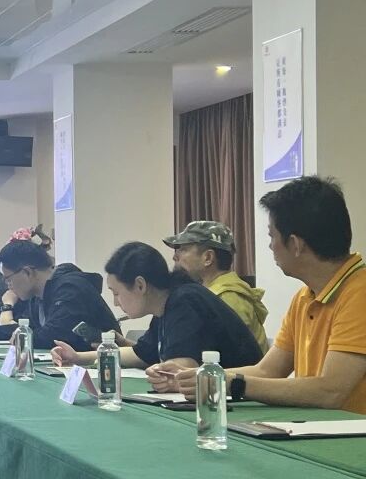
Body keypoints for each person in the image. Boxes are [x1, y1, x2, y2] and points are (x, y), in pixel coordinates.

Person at [174, 176, 366, 412]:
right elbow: (268, 370)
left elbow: (331, 391)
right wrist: (199, 377)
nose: (270, 246)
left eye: (271, 236)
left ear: (295, 244)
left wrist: (233, 385)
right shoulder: (305, 297)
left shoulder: (360, 293)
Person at [52, 241, 262, 390]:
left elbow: (180, 369)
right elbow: (141, 354)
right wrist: (79, 357)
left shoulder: (185, 301)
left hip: (242, 397)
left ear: (140, 285)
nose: (115, 302)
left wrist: (162, 372)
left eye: (116, 293)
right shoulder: (166, 304)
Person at [0, 239, 119, 350]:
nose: (8, 286)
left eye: (8, 279)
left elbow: (55, 335)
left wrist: (19, 335)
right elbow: (22, 328)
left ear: (27, 272)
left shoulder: (70, 288)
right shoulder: (37, 296)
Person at [164, 220, 268, 352]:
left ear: (208, 258)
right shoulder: (211, 293)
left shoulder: (228, 298)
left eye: (183, 249)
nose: (175, 257)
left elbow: (230, 354)